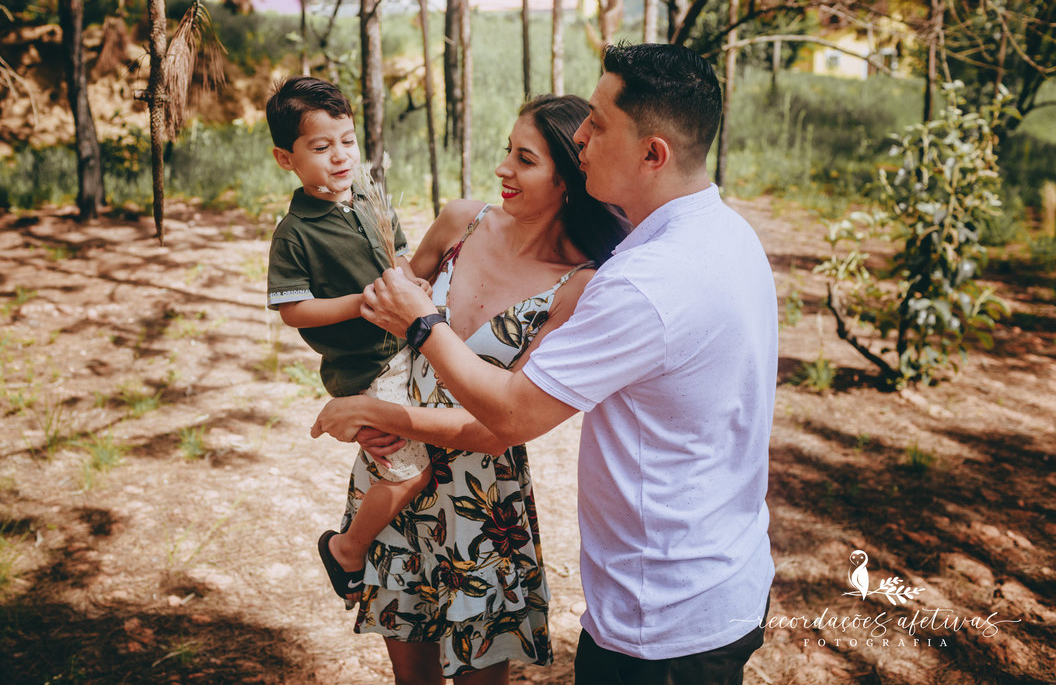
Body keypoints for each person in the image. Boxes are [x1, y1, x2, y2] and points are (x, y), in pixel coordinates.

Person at [315, 44, 778, 685]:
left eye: (599, 123)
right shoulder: (723, 235)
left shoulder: (640, 282)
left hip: (663, 617)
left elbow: (511, 415)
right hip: (708, 582)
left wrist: (420, 327)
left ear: (653, 153)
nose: (583, 136)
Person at [314, 94, 629, 684]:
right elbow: (387, 306)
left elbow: (498, 427)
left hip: (480, 506)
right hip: (396, 473)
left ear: (570, 177)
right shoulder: (461, 221)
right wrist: (362, 381)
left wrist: (381, 412)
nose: (502, 169)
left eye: (525, 159)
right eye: (507, 151)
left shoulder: (578, 286)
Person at [264, 75, 433, 602]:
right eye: (320, 147)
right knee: (408, 474)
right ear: (285, 158)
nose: (340, 157)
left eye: (347, 141)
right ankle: (348, 549)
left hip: (409, 346)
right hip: (366, 368)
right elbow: (294, 310)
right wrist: (364, 301)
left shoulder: (367, 195)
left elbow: (396, 253)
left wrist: (409, 281)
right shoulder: (295, 232)